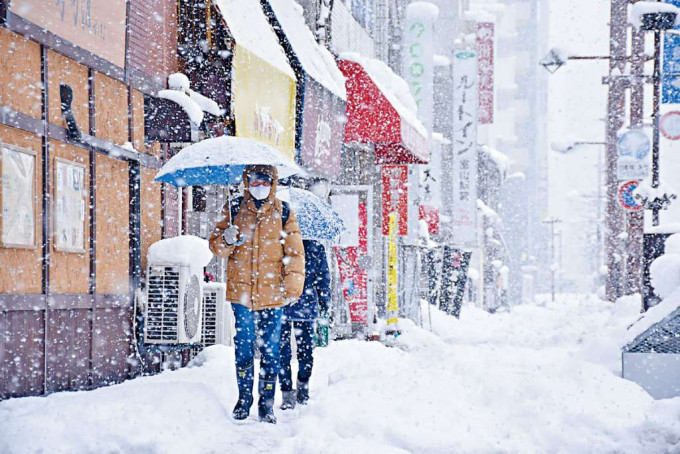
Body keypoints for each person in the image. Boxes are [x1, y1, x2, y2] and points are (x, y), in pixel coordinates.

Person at [209, 165, 305, 424]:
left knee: (271, 350)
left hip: (273, 294)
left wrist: (291, 288)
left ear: (273, 182)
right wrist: (226, 239)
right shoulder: (234, 208)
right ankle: (243, 400)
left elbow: (295, 255)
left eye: (264, 180)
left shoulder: (284, 212)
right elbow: (217, 248)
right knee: (243, 347)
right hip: (241, 292)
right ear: (246, 181)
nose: (259, 185)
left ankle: (266, 404)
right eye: (254, 180)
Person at [279, 239, 331, 410]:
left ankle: (287, 393)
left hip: (281, 304)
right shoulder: (315, 247)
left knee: (282, 352)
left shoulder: (279, 243)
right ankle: (303, 387)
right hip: (306, 307)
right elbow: (323, 277)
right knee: (305, 351)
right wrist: (324, 300)